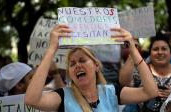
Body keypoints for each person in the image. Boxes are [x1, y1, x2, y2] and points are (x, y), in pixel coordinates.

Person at [25, 24, 158, 112]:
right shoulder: (63, 96)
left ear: (96, 66)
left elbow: (151, 92)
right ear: (70, 73)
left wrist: (133, 50)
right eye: (72, 64)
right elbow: (31, 100)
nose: (77, 65)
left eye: (82, 60)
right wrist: (52, 48)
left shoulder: (112, 92)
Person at [140, 34, 171, 112]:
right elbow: (123, 83)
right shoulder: (139, 73)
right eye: (155, 49)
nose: (160, 52)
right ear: (150, 53)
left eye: (164, 48)